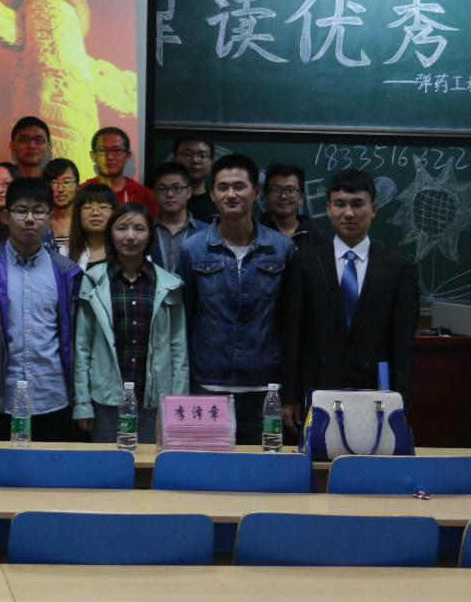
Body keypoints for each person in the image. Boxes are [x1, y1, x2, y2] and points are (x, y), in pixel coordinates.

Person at [281, 169, 420, 438]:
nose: (348, 213)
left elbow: (403, 343)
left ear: (374, 209)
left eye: (357, 204)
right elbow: (292, 333)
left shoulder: (399, 267)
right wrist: (289, 396)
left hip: (376, 391)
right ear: (328, 209)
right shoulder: (305, 262)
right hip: (318, 388)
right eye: (340, 204)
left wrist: (401, 399)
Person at [178, 154, 294, 445]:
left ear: (256, 192)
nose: (231, 194)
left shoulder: (282, 248)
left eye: (239, 186)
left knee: (262, 469)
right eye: (223, 187)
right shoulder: (193, 249)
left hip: (265, 387)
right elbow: (185, 316)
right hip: (208, 384)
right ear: (212, 195)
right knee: (208, 468)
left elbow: (291, 319)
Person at [0, 177, 82, 442]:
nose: (30, 219)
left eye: (38, 211)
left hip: (52, 397)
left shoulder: (66, 271)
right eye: (21, 210)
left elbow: (74, 337)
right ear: (6, 216)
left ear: (50, 217)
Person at [73, 202, 188, 445]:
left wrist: (178, 403)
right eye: (122, 228)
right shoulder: (93, 281)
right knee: (107, 464)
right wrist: (82, 403)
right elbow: (82, 347)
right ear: (111, 234)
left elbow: (178, 349)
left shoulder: (169, 284)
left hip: (154, 398)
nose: (130, 236)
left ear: (150, 235)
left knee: (152, 463)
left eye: (139, 229)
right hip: (106, 397)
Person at [84, 126, 157, 216]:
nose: (109, 157)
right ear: (93, 156)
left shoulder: (143, 195)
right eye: (103, 150)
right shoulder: (82, 191)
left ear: (127, 156)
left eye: (117, 150)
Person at [148, 161, 203, 274]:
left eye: (177, 188)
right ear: (154, 193)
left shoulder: (206, 233)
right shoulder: (146, 231)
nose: (170, 194)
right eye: (162, 188)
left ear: (189, 192)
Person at [260, 163, 328, 248]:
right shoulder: (253, 234)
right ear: (266, 196)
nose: (283, 196)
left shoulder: (318, 237)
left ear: (301, 197)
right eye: (276, 190)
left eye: (290, 190)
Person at [67, 183, 117, 269]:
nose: (95, 213)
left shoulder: (127, 252)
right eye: (88, 207)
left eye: (103, 207)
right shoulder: (64, 253)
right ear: (78, 214)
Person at [173, 136, 217, 224]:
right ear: (174, 159)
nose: (195, 160)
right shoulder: (162, 200)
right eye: (187, 154)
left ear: (212, 162)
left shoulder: (220, 203)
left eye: (202, 156)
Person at [43, 158, 80, 256]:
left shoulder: (84, 220)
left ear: (77, 186)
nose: (60, 189)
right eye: (54, 182)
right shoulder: (40, 222)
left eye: (66, 182)